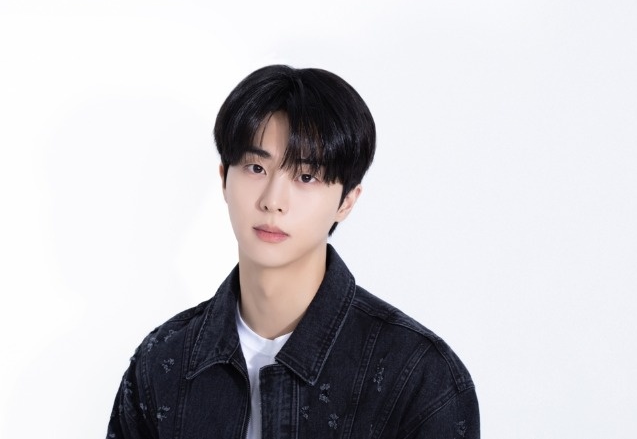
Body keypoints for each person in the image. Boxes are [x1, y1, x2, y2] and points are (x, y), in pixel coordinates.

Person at [106, 65, 479, 438]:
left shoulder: (418, 377)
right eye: (256, 168)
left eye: (305, 177)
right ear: (223, 179)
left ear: (347, 201)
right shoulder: (162, 360)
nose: (273, 201)